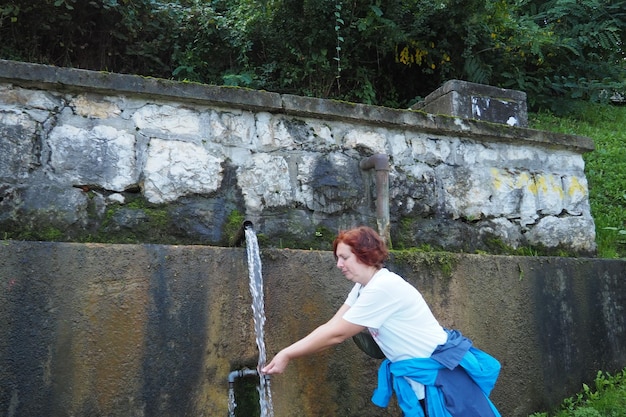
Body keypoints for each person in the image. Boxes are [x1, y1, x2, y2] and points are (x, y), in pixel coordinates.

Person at [261, 226, 502, 417]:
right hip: (423, 380)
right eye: (337, 258)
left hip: (443, 378)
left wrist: (287, 354)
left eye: (344, 257)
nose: (339, 265)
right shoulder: (362, 288)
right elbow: (332, 328)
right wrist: (288, 353)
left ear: (364, 254)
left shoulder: (383, 287)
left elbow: (337, 334)